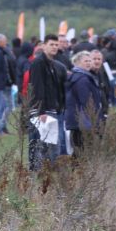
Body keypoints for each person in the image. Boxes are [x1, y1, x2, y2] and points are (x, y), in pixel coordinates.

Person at [27, 34, 67, 170]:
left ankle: (48, 174)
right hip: (42, 111)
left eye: (56, 45)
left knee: (51, 145)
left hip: (51, 108)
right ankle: (37, 174)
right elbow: (37, 87)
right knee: (40, 144)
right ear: (43, 46)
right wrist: (41, 111)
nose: (55, 47)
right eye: (51, 44)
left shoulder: (52, 64)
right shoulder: (39, 63)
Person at [65, 51, 103, 157]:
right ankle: (77, 172)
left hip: (77, 120)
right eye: (86, 61)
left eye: (90, 60)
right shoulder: (82, 79)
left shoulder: (80, 76)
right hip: (83, 120)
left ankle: (76, 171)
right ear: (77, 63)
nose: (89, 63)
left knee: (79, 149)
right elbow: (87, 102)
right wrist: (94, 117)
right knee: (82, 149)